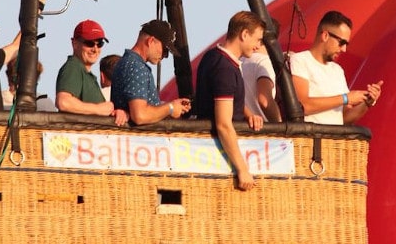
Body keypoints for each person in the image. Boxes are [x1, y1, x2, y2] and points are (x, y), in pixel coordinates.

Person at [195, 11, 266, 191]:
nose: (258, 46)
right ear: (244, 34)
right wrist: (242, 169)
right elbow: (223, 124)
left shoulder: (212, 56)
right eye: (257, 39)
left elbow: (226, 98)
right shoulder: (225, 68)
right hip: (219, 157)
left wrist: (249, 114)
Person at [289, 11, 383, 125]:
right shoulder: (300, 60)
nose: (343, 49)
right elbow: (302, 106)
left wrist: (367, 103)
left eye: (346, 44)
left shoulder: (337, 70)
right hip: (311, 140)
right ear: (325, 36)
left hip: (334, 141)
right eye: (341, 42)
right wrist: (345, 98)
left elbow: (345, 118)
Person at [110, 19, 191, 125]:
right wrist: (170, 108)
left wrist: (172, 105)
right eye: (165, 50)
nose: (165, 56)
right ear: (151, 41)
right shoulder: (136, 67)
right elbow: (140, 115)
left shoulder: (126, 62)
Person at [55, 20, 127, 125]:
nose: (95, 49)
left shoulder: (86, 74)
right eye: (89, 43)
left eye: (100, 44)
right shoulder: (73, 66)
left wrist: (115, 113)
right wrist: (98, 109)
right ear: (74, 43)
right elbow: (63, 102)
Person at [242, 45, 282, 123]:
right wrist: (280, 126)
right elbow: (265, 101)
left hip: (239, 127)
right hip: (259, 128)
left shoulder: (238, 61)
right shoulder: (263, 61)